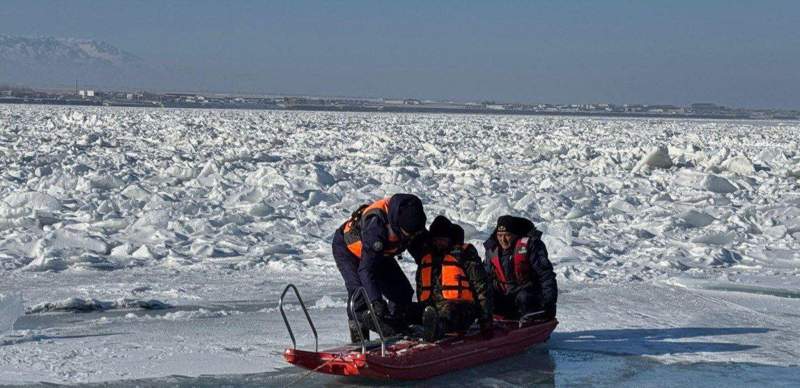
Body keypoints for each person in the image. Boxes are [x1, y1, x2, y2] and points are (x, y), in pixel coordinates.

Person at [332, 193, 428, 342]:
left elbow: (423, 256)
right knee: (360, 293)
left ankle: (395, 328)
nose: (410, 238)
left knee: (402, 292)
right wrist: (376, 301)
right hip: (349, 250)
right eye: (407, 234)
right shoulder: (376, 227)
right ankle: (359, 339)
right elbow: (366, 270)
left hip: (380, 253)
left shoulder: (413, 218)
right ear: (398, 225)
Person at [417, 215, 492, 342]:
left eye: (442, 239)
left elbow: (482, 288)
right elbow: (420, 287)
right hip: (432, 308)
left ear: (450, 239)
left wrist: (485, 320)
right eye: (436, 239)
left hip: (461, 308)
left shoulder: (465, 257)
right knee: (410, 310)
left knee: (449, 313)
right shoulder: (427, 259)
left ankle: (436, 329)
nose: (438, 243)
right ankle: (390, 326)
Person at [483, 215, 557, 321]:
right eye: (499, 235)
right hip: (504, 297)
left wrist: (550, 303)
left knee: (524, 297)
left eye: (507, 235)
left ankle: (532, 321)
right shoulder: (492, 251)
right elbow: (485, 277)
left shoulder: (530, 246)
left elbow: (546, 276)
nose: (503, 240)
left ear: (515, 235)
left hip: (528, 297)